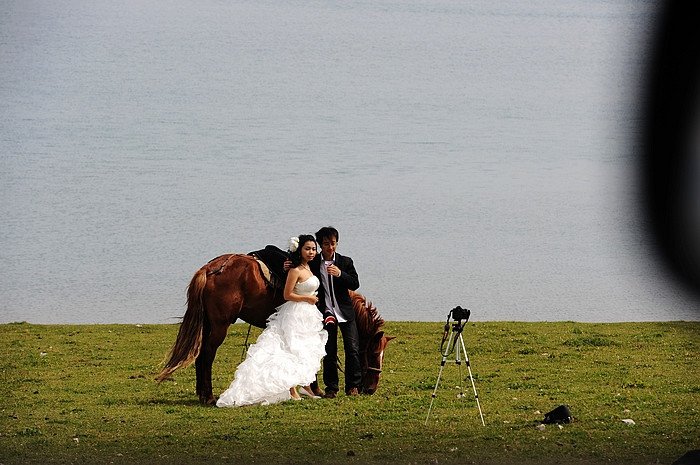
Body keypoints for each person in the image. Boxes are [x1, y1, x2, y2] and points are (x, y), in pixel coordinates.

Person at [216, 235, 327, 407]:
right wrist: (308, 299)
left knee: (303, 350)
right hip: (297, 312)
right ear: (300, 250)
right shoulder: (295, 270)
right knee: (290, 349)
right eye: (307, 249)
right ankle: (292, 390)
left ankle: (305, 385)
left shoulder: (309, 267)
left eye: (313, 249)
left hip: (308, 315)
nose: (311, 252)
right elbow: (287, 295)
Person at [311, 226, 362, 398]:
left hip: (345, 312)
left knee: (352, 349)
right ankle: (331, 388)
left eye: (333, 243)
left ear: (337, 244)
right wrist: (288, 264)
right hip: (325, 313)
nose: (330, 247)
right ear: (320, 245)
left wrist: (340, 274)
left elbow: (355, 283)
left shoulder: (346, 262)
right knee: (329, 351)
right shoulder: (314, 264)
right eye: (326, 244)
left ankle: (353, 386)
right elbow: (299, 267)